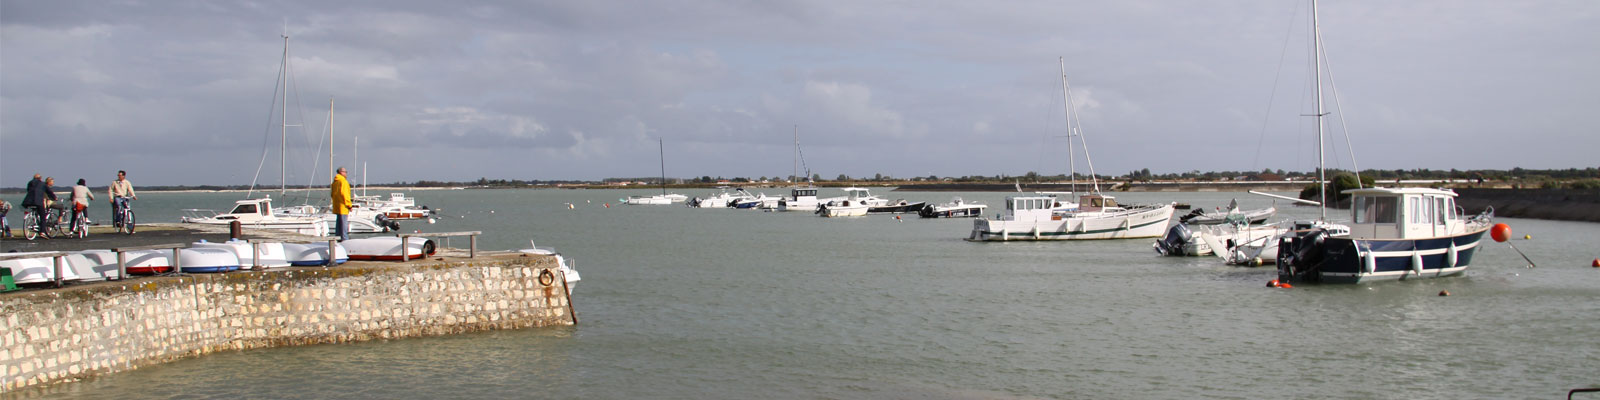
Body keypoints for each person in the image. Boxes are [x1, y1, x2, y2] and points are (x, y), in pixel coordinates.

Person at [331, 167, 352, 241]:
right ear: (341, 172)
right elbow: (345, 194)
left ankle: (338, 238)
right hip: (343, 206)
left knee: (339, 223)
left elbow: (332, 194)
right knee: (343, 223)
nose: (346, 173)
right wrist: (349, 205)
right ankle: (344, 239)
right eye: (345, 172)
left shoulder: (335, 182)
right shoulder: (343, 181)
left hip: (337, 205)